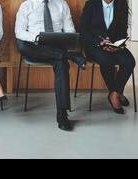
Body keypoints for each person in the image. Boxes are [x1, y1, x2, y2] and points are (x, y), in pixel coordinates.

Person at [15, 0, 87, 131]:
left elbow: (70, 31)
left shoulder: (62, 4)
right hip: (34, 46)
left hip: (56, 47)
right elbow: (19, 32)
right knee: (22, 46)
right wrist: (35, 37)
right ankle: (70, 56)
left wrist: (63, 39)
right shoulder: (26, 5)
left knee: (62, 65)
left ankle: (62, 114)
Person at [81, 0, 135, 114]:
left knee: (129, 61)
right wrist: (99, 42)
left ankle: (115, 93)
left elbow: (123, 31)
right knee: (107, 60)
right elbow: (84, 30)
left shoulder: (121, 4)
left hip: (115, 46)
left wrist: (118, 46)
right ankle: (116, 95)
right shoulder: (91, 4)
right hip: (94, 46)